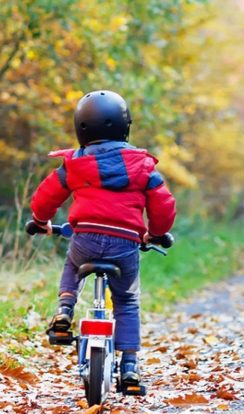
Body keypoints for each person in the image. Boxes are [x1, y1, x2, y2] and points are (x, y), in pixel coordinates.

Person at [30, 90, 176, 387]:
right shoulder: (142, 165)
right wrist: (156, 233)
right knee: (126, 300)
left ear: (80, 126)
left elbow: (46, 196)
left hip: (85, 239)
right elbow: (163, 204)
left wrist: (40, 221)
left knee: (72, 265)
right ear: (125, 126)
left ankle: (64, 311)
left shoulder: (73, 164)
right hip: (125, 244)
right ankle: (131, 367)